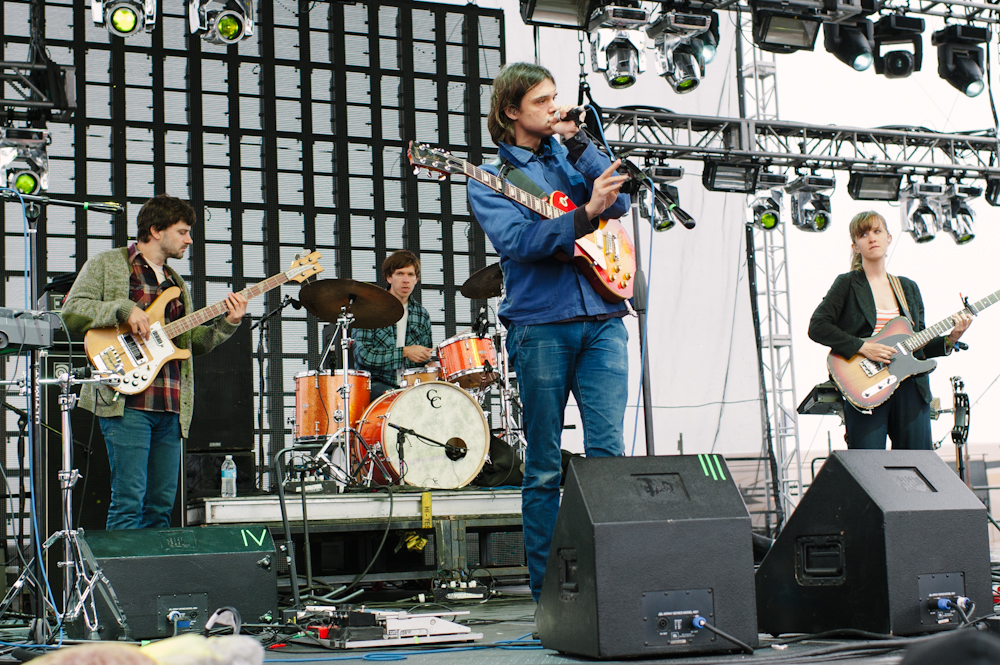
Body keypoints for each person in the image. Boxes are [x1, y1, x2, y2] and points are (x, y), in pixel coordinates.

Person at [467, 62, 631, 602]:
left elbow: (622, 200)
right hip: (541, 325)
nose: (553, 107)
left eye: (556, 98)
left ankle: (612, 587)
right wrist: (586, 214)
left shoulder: (571, 154)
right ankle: (549, 599)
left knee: (608, 457)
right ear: (511, 111)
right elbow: (522, 242)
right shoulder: (491, 180)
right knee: (542, 466)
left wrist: (580, 143)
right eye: (542, 102)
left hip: (604, 318)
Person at [62, 194, 247, 530]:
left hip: (171, 407)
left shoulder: (177, 284)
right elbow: (70, 313)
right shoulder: (108, 264)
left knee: (162, 506)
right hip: (127, 403)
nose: (190, 239)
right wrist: (122, 309)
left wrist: (228, 323)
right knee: (128, 501)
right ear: (156, 230)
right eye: (183, 231)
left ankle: (153, 582)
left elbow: (192, 344)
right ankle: (123, 583)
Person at [808, 210, 972, 449]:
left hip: (910, 386)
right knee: (869, 467)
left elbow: (920, 345)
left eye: (877, 231)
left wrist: (951, 339)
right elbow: (817, 326)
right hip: (866, 384)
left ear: (889, 238)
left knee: (917, 466)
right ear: (856, 246)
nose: (872, 238)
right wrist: (864, 347)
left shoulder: (907, 287)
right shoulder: (847, 283)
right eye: (863, 234)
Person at [353, 249, 433, 399]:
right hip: (376, 385)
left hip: (411, 387)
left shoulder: (421, 314)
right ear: (389, 277)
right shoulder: (369, 310)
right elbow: (363, 355)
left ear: (416, 279)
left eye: (410, 275)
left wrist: (431, 366)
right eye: (400, 274)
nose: (406, 280)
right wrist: (405, 352)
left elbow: (424, 359)